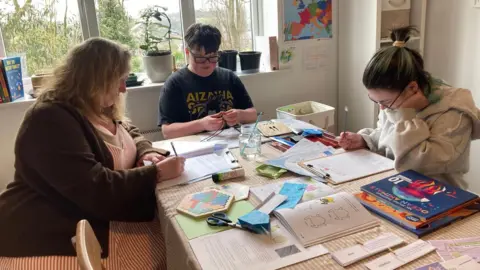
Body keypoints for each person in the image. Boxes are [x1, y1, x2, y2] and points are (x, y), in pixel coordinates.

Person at [0, 38, 185, 269]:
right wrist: (154, 174)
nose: (123, 88)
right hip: (49, 230)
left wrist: (146, 152)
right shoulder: (49, 119)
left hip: (99, 213)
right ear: (95, 78)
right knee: (171, 252)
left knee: (173, 240)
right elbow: (95, 187)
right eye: (119, 80)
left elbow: (130, 131)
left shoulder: (96, 106)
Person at [339, 26, 480, 189]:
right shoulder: (397, 100)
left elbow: (416, 164)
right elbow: (387, 136)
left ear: (412, 88)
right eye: (374, 100)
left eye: (385, 102)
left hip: (439, 193)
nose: (382, 109)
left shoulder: (453, 112)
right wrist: (366, 140)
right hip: (396, 184)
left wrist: (406, 116)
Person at [158, 23, 258, 139]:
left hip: (230, 144)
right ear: (187, 52)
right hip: (194, 148)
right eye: (200, 58)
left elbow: (253, 115)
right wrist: (201, 124)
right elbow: (167, 131)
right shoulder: (175, 83)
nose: (207, 63)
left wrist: (240, 115)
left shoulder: (229, 78)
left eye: (212, 57)